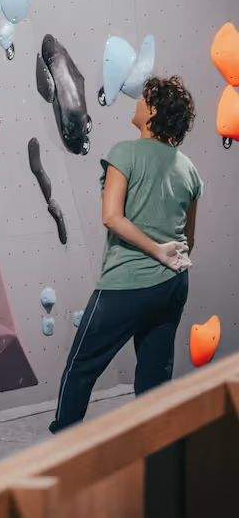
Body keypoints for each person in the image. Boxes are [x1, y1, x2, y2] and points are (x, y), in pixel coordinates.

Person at [50, 76, 202, 433]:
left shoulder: (124, 152)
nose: (137, 100)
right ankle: (156, 457)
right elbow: (187, 241)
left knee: (81, 366)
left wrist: (153, 252)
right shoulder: (190, 169)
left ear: (152, 112)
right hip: (172, 287)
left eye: (144, 98)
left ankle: (63, 449)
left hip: (125, 286)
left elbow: (111, 217)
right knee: (154, 380)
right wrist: (166, 256)